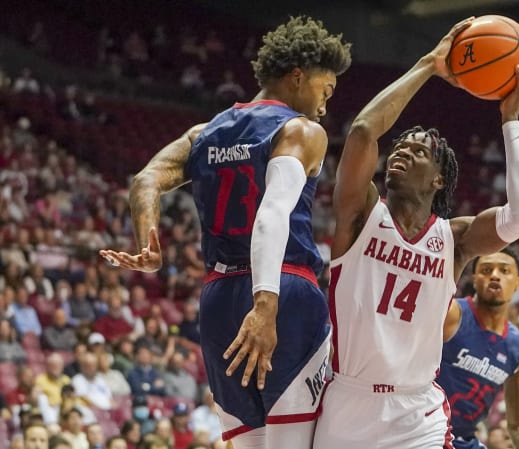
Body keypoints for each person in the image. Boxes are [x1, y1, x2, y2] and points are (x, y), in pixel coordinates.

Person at [99, 16, 351, 449]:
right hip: (282, 290)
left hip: (218, 298)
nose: (325, 105)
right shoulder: (300, 130)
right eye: (324, 90)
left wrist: (148, 240)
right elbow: (271, 215)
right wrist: (265, 305)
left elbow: (145, 179)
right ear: (297, 77)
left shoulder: (204, 133)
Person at [313, 17, 519, 449]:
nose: (403, 151)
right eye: (400, 147)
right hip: (347, 403)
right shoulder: (361, 216)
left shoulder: (455, 239)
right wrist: (427, 65)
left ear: (439, 180)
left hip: (418, 413)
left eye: (419, 151)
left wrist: (511, 121)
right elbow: (363, 131)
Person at [436, 248, 519, 449]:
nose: (495, 275)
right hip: (420, 432)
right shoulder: (451, 314)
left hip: (463, 441)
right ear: (474, 279)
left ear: (518, 283)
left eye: (504, 270)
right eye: (486, 270)